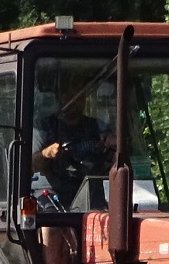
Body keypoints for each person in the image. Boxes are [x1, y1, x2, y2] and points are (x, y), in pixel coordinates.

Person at [31, 72, 113, 204]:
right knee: (51, 222)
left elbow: (118, 161)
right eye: (68, 94)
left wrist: (115, 146)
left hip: (91, 191)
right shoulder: (45, 126)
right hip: (53, 192)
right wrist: (46, 153)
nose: (73, 99)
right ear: (58, 97)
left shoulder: (98, 126)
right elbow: (31, 165)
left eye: (78, 94)